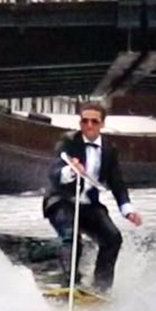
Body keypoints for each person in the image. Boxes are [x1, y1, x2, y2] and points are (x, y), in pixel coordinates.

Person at [42, 101, 142, 292]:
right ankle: (70, 284)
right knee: (71, 237)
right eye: (84, 121)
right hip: (61, 201)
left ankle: (101, 288)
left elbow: (116, 182)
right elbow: (54, 172)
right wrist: (71, 170)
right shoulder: (68, 141)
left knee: (113, 238)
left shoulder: (109, 150)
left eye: (94, 122)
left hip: (89, 205)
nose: (89, 126)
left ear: (102, 124)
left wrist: (127, 209)